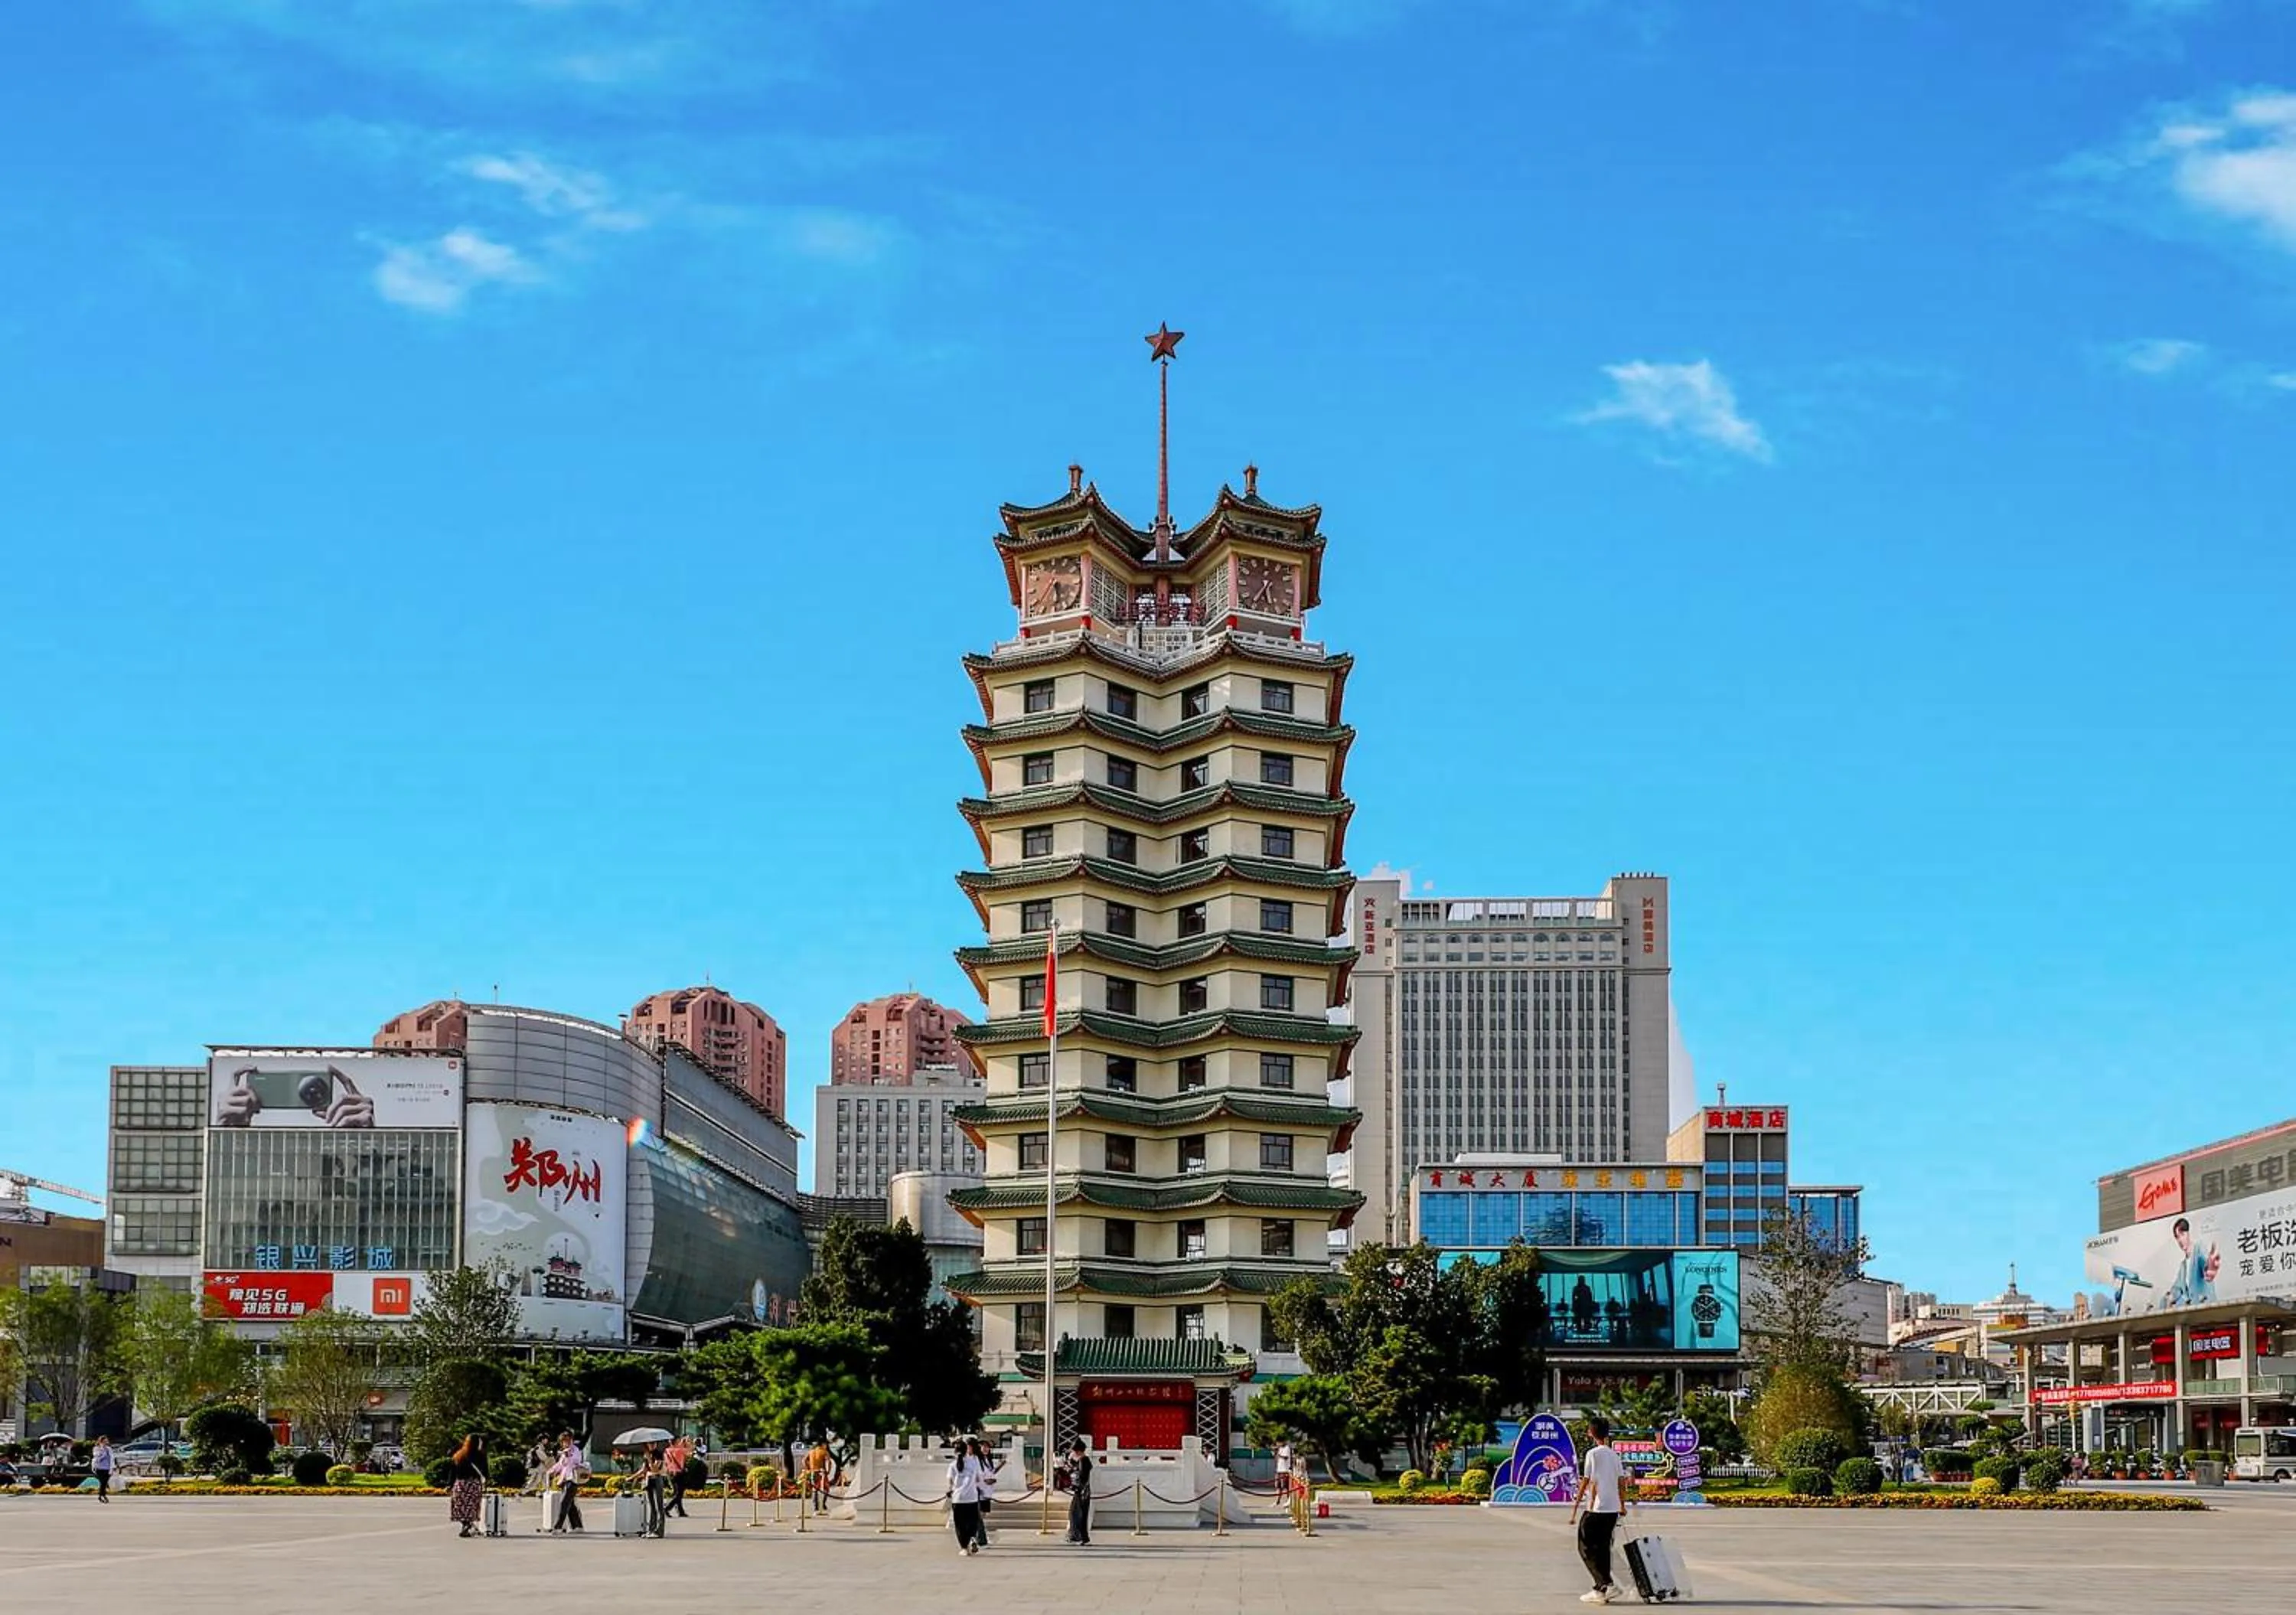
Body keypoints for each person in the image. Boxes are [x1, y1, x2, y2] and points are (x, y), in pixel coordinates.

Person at [1569, 1415, 1629, 1607]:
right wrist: (1622, 1505)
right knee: (1603, 1549)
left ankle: (1607, 1584)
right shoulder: (1614, 1455)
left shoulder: (1593, 1454)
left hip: (1597, 1509)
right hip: (1612, 1510)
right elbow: (1622, 1482)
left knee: (1585, 1547)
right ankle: (1599, 1590)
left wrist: (1577, 1505)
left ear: (1591, 1433)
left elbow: (1589, 1481)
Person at [2165, 1218, 2219, 1307]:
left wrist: (2211, 1265)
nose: (2180, 1240)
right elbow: (2177, 1288)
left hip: (2207, 1308)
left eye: (2182, 1234)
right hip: (2194, 1312)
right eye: (2177, 1237)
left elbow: (2206, 1266)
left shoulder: (2199, 1249)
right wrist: (2170, 1296)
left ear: (2188, 1234)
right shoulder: (2183, 1266)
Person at [947, 1441, 985, 1556]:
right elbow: (979, 1479)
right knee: (972, 1521)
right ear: (966, 1450)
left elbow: (950, 1481)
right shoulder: (974, 1462)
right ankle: (973, 1538)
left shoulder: (953, 1465)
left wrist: (951, 1489)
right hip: (972, 1497)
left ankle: (964, 1547)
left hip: (958, 1499)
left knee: (960, 1525)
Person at [445, 1434, 487, 1537]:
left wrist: (449, 1485)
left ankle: (465, 1525)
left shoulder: (459, 1455)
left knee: (460, 1507)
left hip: (460, 1484)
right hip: (473, 1485)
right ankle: (468, 1525)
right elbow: (485, 1471)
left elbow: (453, 1471)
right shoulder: (481, 1455)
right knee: (472, 1507)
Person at [547, 1432, 587, 1533]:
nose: (566, 1443)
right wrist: (551, 1471)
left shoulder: (575, 1450)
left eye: (568, 1440)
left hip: (573, 1480)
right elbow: (560, 1465)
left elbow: (576, 1461)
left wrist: (568, 1456)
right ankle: (578, 1527)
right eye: (564, 1441)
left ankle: (557, 1527)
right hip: (565, 1480)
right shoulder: (564, 1452)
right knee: (571, 1505)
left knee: (564, 1503)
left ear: (572, 1440)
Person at [1063, 1437, 1094, 1545]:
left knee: (1079, 1515)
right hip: (1079, 1491)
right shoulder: (1080, 1461)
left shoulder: (1084, 1461)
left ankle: (1079, 1537)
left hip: (1082, 1491)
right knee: (1075, 1514)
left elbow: (1082, 1476)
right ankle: (1078, 1536)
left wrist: (1072, 1468)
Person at [664, 1437, 692, 1519]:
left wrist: (682, 1443)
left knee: (677, 1492)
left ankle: (680, 1511)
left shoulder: (667, 1450)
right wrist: (687, 1442)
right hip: (679, 1473)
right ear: (676, 1442)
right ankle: (666, 1508)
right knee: (679, 1494)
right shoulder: (679, 1450)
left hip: (670, 1473)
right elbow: (690, 1450)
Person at [90, 1437, 116, 1504]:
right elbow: (97, 1458)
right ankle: (102, 1495)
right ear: (100, 1442)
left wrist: (112, 1468)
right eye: (104, 1441)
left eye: (106, 1441)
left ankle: (102, 1495)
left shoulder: (109, 1449)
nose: (105, 1443)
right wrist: (102, 1452)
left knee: (105, 1483)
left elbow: (112, 1459)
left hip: (107, 1468)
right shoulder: (97, 1449)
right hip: (99, 1468)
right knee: (102, 1482)